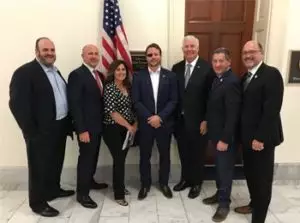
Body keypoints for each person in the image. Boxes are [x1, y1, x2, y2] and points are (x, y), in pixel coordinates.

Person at [9, 37, 74, 217]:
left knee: (55, 162)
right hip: (39, 131)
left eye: (52, 50)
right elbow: (16, 104)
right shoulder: (25, 72)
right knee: (39, 167)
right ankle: (38, 203)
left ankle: (53, 190)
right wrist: (30, 131)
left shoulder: (55, 71)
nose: (50, 53)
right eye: (45, 50)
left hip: (59, 127)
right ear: (36, 51)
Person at [234, 40, 284, 223]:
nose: (248, 55)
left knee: (262, 180)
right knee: (251, 175)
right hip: (247, 140)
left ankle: (258, 219)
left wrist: (260, 137)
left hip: (262, 140)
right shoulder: (244, 77)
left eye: (252, 51)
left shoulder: (271, 74)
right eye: (245, 52)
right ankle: (254, 203)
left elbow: (272, 109)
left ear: (261, 53)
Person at [132, 43, 177, 200]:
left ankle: (164, 183)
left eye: (155, 54)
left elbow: (173, 100)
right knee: (145, 156)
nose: (153, 57)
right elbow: (136, 101)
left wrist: (161, 117)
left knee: (165, 155)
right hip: (146, 124)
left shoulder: (170, 76)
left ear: (160, 55)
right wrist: (150, 118)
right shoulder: (138, 76)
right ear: (146, 58)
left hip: (164, 123)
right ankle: (145, 184)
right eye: (150, 55)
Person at [172, 35, 214, 198]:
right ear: (182, 49)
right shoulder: (176, 68)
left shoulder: (207, 68)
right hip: (180, 121)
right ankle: (185, 179)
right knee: (183, 152)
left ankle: (197, 182)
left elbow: (211, 97)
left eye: (192, 46)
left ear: (198, 48)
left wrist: (206, 119)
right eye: (186, 46)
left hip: (199, 122)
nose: (189, 49)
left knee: (198, 153)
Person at [202, 48, 241, 222]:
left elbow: (233, 114)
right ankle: (219, 194)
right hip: (216, 134)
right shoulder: (218, 79)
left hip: (225, 138)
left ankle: (224, 204)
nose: (217, 64)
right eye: (215, 61)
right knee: (219, 167)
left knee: (225, 170)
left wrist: (225, 139)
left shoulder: (231, 82)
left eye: (221, 61)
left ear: (229, 62)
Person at [67, 44, 108, 209]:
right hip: (86, 129)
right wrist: (81, 129)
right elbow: (75, 105)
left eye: (96, 53)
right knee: (85, 159)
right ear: (83, 56)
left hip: (98, 126)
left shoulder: (99, 75)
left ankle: (90, 181)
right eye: (89, 53)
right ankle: (82, 194)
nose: (93, 56)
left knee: (93, 156)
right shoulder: (77, 75)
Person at [102, 60, 137, 206]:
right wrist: (129, 126)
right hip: (112, 129)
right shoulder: (109, 88)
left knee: (121, 159)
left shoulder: (128, 87)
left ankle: (120, 186)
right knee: (119, 160)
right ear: (112, 72)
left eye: (123, 69)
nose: (121, 72)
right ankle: (119, 195)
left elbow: (133, 108)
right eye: (118, 70)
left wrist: (135, 124)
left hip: (127, 129)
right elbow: (112, 112)